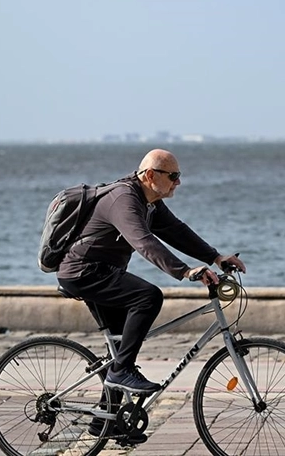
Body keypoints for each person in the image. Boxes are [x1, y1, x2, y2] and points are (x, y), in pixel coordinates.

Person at [57, 149, 246, 396]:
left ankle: (107, 420)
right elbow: (144, 242)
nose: (178, 182)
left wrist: (216, 258)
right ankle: (121, 372)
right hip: (83, 272)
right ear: (149, 175)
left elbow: (176, 231)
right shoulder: (124, 199)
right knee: (148, 297)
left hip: (104, 272)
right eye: (173, 175)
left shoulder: (150, 203)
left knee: (121, 349)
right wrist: (186, 271)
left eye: (179, 175)